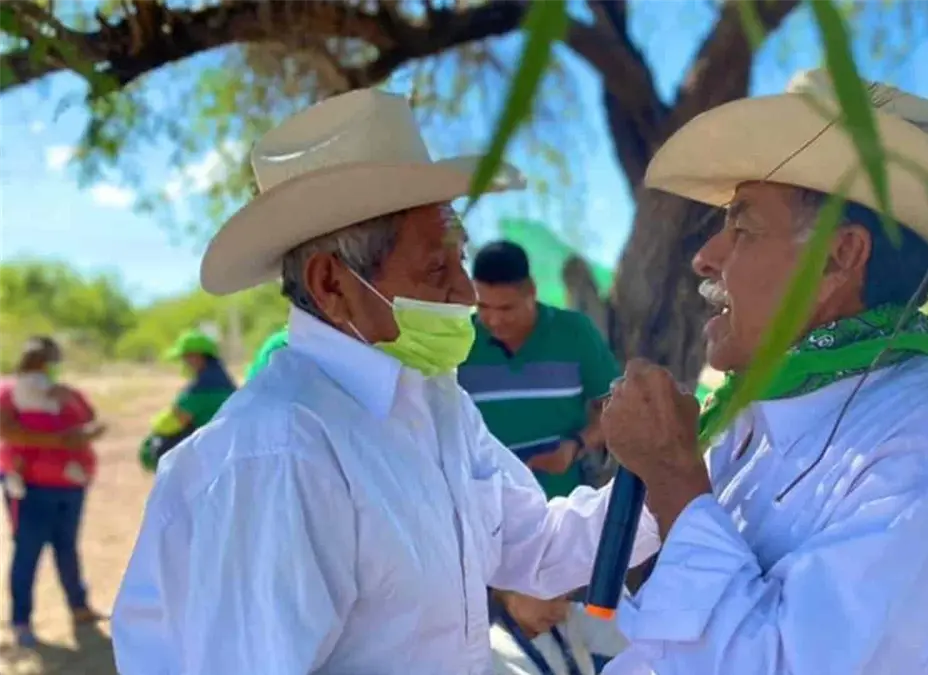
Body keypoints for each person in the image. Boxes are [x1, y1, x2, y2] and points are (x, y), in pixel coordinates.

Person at [111, 88, 658, 674]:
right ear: (331, 284)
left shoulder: (436, 404)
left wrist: (673, 474)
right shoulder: (281, 453)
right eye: (436, 267)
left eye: (459, 260)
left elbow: (537, 544)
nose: (465, 294)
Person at [594, 68, 928, 673]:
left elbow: (777, 662)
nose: (705, 258)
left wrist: (674, 474)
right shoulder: (767, 408)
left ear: (837, 258)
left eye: (743, 228)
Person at [460, 240, 618, 499]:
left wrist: (576, 446)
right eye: (483, 307)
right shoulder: (461, 343)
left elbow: (616, 406)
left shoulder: (575, 333)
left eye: (506, 308)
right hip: (484, 504)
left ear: (531, 291)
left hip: (560, 504)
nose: (494, 320)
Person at [0, 336, 105, 647]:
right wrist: (61, 441)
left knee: (67, 548)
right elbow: (7, 431)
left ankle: (79, 607)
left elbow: (95, 422)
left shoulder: (67, 394)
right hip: (30, 487)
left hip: (71, 485)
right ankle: (21, 621)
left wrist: (81, 431)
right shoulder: (9, 393)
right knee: (28, 552)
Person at [137, 329, 237, 472]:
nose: (184, 363)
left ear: (197, 357)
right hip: (229, 452)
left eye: (186, 357)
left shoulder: (199, 389)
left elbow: (172, 422)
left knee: (156, 447)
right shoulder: (228, 386)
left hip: (206, 455)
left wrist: (155, 425)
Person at [491, 590, 627, 675]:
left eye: (567, 598)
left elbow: (626, 636)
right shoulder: (490, 649)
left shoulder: (570, 620)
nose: (560, 610)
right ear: (510, 591)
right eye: (551, 598)